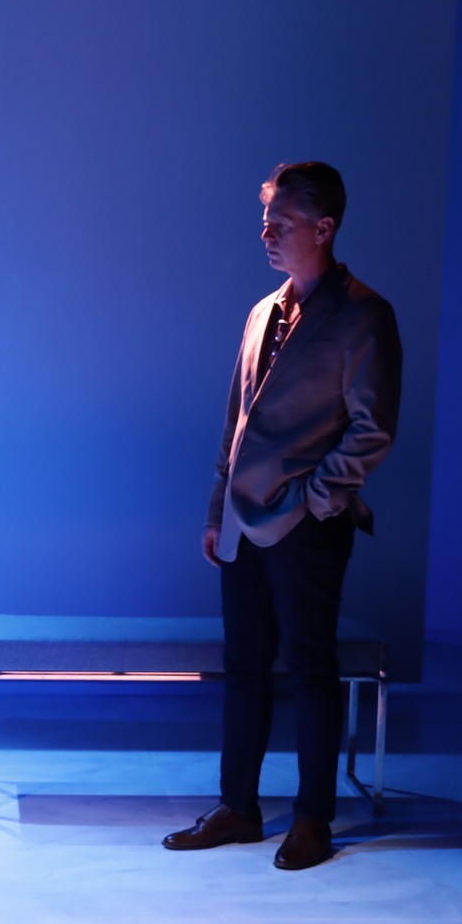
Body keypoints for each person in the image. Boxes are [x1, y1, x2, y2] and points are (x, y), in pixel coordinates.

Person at [164, 160, 401, 871]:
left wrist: (314, 501)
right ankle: (239, 806)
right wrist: (218, 509)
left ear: (323, 228)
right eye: (264, 222)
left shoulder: (363, 314)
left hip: (307, 525)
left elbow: (372, 429)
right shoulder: (263, 310)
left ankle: (312, 819)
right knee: (244, 667)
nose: (266, 234)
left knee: (310, 668)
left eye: (281, 223)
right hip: (243, 523)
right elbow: (236, 420)